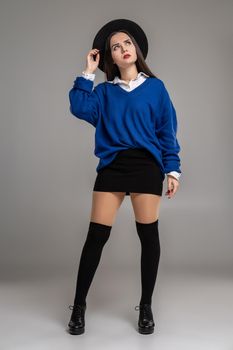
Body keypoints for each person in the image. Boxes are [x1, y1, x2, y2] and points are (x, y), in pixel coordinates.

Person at [67, 19, 182, 335]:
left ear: (136, 49)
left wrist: (172, 169)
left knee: (149, 237)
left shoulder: (156, 88)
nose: (123, 49)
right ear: (110, 58)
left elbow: (166, 132)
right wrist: (88, 71)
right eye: (115, 47)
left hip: (147, 166)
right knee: (96, 237)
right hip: (114, 166)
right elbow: (78, 107)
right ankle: (79, 306)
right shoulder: (103, 93)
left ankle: (146, 306)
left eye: (127, 43)